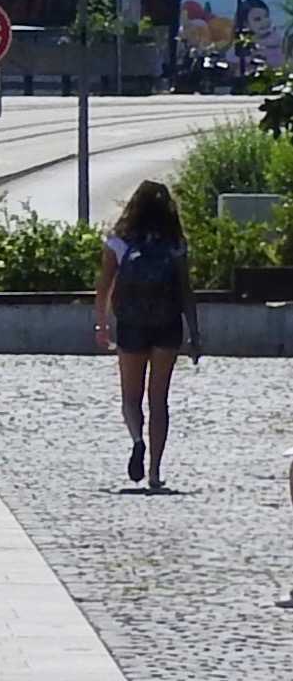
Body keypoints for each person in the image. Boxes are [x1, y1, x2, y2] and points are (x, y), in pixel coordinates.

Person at [95, 177, 200, 490]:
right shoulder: (174, 242)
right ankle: (155, 471)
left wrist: (102, 324)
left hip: (131, 324)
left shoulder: (119, 240)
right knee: (159, 399)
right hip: (167, 324)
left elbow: (104, 287)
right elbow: (186, 291)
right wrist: (194, 334)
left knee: (131, 396)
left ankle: (137, 440)